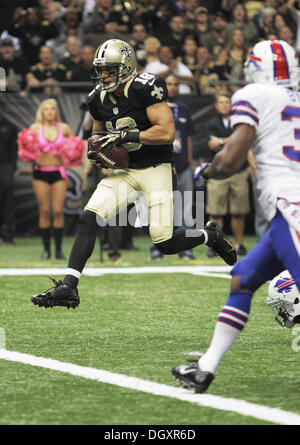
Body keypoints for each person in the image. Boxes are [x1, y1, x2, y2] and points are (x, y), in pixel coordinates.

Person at [30, 39, 237, 310]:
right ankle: (69, 288)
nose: (103, 75)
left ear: (125, 68)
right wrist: (98, 151)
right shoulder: (97, 97)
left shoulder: (146, 87)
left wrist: (125, 135)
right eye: (100, 69)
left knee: (164, 241)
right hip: (125, 170)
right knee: (88, 217)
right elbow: (98, 134)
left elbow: (166, 132)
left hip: (155, 168)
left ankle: (211, 235)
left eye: (109, 70)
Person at [171, 39, 300, 394]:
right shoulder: (294, 99)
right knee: (242, 278)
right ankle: (204, 369)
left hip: (292, 206)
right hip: (283, 212)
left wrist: (207, 171)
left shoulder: (254, 93)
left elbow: (231, 159)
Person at [18, 98, 84, 259]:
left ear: (56, 111)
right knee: (45, 210)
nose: (49, 111)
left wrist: (71, 155)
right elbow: (24, 147)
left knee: (57, 211)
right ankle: (46, 250)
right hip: (40, 172)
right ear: (42, 111)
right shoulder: (35, 128)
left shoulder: (64, 128)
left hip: (58, 172)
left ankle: (59, 250)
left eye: (52, 109)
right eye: (46, 109)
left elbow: (76, 146)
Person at [150, 74, 196, 260]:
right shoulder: (155, 109)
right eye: (169, 84)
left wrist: (191, 163)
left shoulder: (184, 110)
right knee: (160, 207)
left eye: (176, 84)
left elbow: (189, 139)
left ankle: (187, 249)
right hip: (162, 166)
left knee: (186, 208)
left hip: (183, 165)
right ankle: (157, 249)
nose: (173, 87)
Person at [205, 93, 250, 258]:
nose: (224, 105)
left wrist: (222, 141)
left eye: (227, 102)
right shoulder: (211, 124)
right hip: (218, 172)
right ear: (216, 105)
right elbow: (212, 145)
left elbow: (243, 143)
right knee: (216, 212)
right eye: (221, 102)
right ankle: (216, 245)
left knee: (239, 211)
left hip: (239, 171)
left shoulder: (240, 123)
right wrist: (233, 140)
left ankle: (239, 244)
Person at [0, 99, 18, 244]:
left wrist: (11, 169)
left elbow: (14, 151)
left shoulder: (10, 127)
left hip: (5, 167)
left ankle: (8, 236)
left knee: (7, 203)